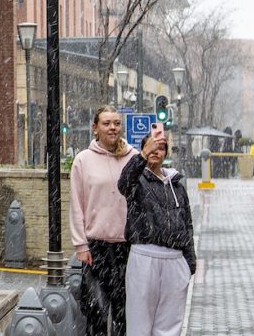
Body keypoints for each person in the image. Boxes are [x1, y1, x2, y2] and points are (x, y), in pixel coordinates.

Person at [118, 131, 196, 336]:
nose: (155, 152)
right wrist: (142, 156)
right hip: (144, 256)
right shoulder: (137, 180)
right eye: (151, 147)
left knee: (170, 326)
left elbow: (187, 223)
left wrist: (189, 263)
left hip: (175, 260)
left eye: (160, 148)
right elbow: (123, 183)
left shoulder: (177, 184)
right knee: (139, 323)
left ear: (166, 154)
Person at [69, 105, 137, 336]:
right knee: (96, 311)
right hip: (96, 248)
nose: (113, 128)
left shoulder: (134, 158)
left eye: (117, 123)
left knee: (125, 312)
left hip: (128, 248)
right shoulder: (82, 161)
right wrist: (81, 245)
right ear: (95, 128)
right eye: (107, 123)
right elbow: (77, 205)